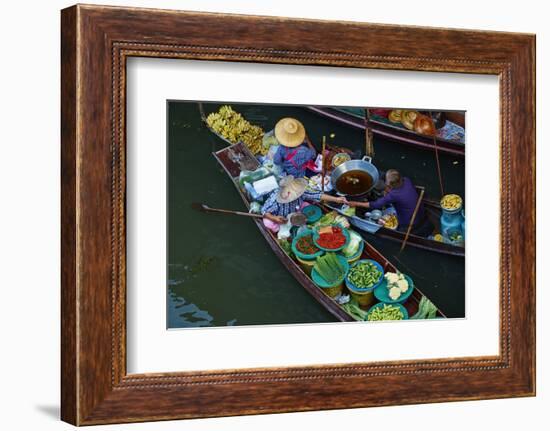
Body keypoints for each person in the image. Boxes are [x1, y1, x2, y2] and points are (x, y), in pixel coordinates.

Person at [349, 169, 433, 237]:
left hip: (409, 222)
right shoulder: (407, 180)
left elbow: (375, 205)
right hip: (420, 212)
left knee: (397, 230)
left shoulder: (394, 195)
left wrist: (356, 203)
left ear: (391, 185)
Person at [262, 175, 346, 226]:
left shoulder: (299, 191)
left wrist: (336, 199)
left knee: (306, 204)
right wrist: (273, 218)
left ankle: (300, 220)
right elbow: (264, 211)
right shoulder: (275, 199)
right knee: (267, 223)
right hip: (280, 216)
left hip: (295, 210)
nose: (296, 195)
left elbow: (316, 195)